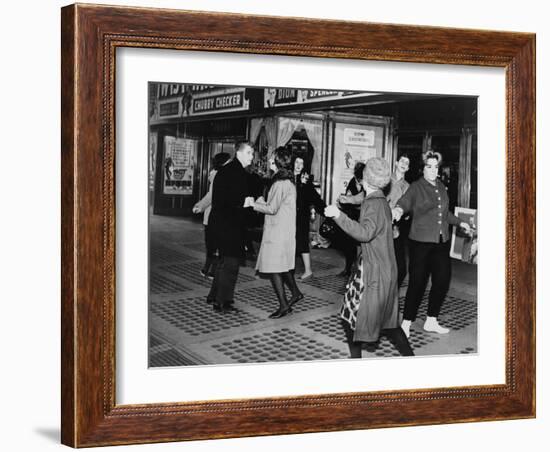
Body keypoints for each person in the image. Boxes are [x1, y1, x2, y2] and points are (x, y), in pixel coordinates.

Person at [324, 157, 414, 358]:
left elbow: (365, 233)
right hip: (386, 271)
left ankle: (357, 364)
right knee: (390, 325)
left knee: (350, 319)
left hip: (373, 273)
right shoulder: (381, 200)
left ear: (365, 180)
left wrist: (337, 215)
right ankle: (411, 360)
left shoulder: (372, 204)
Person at [392, 151, 471, 337]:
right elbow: (405, 202)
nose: (433, 170)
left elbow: (445, 214)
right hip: (420, 243)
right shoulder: (416, 187)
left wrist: (461, 222)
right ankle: (407, 322)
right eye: (429, 166)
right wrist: (397, 210)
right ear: (423, 168)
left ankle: (431, 320)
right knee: (417, 283)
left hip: (441, 242)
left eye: (436, 166)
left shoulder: (442, 187)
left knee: (442, 280)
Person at [251, 147, 303, 319]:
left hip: (278, 233)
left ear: (277, 161)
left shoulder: (280, 184)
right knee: (283, 266)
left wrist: (253, 204)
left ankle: (284, 305)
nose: (269, 160)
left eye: (272, 158)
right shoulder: (287, 182)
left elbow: (272, 209)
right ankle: (295, 293)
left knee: (274, 268)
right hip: (284, 231)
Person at [206, 142, 255, 313]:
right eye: (249, 153)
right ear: (239, 153)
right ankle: (222, 302)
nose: (252, 156)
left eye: (252, 153)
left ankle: (214, 295)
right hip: (230, 225)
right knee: (231, 265)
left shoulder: (229, 170)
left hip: (221, 223)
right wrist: (245, 202)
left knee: (223, 262)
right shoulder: (236, 172)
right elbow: (229, 200)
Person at [192, 152, 231, 279]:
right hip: (214, 216)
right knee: (215, 245)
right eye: (229, 162)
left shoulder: (219, 175)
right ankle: (212, 271)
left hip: (213, 216)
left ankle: (207, 269)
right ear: (223, 163)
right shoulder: (218, 175)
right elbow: (211, 196)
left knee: (212, 244)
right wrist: (200, 206)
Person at [293, 156, 326, 279]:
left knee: (302, 241)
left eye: (301, 163)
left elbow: (314, 198)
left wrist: (325, 209)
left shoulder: (306, 180)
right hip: (289, 216)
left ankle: (308, 270)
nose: (298, 165)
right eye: (296, 162)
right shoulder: (287, 177)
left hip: (301, 216)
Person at [335, 161, 366, 277]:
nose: (358, 182)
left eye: (360, 179)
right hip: (352, 216)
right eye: (357, 179)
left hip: (362, 218)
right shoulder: (353, 181)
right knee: (349, 245)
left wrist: (350, 200)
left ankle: (358, 270)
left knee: (360, 245)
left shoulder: (367, 184)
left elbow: (361, 200)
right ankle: (348, 268)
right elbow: (349, 198)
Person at [387, 154, 411, 287]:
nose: (404, 164)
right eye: (402, 161)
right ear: (396, 163)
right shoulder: (386, 179)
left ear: (407, 168)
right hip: (382, 225)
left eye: (407, 163)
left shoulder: (407, 186)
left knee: (401, 268)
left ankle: (392, 294)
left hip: (396, 228)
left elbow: (408, 209)